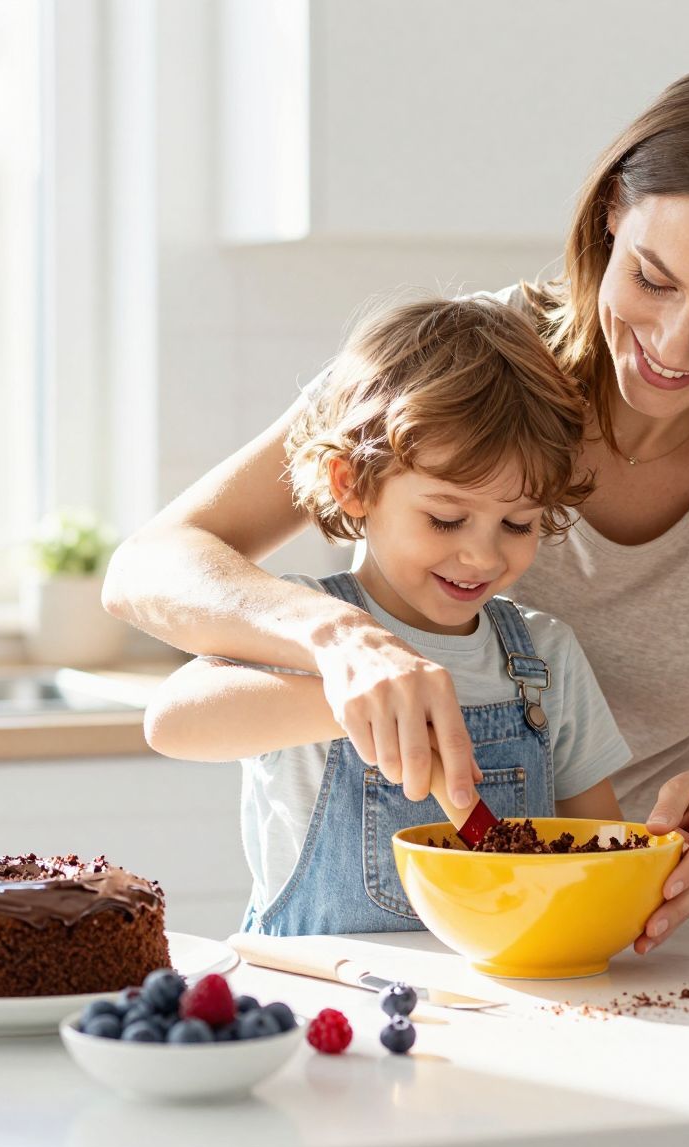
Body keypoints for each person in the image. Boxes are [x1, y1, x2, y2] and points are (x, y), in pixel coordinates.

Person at [108, 57, 689, 952]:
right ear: (611, 213)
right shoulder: (468, 369)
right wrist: (340, 647)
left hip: (642, 944)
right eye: (652, 278)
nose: (672, 346)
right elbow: (149, 568)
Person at [144, 296, 632, 935]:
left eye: (518, 523)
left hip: (499, 1003)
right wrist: (348, 704)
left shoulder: (544, 658)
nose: (481, 553)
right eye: (446, 518)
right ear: (354, 485)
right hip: (321, 1001)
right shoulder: (308, 627)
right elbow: (171, 722)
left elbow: (601, 856)